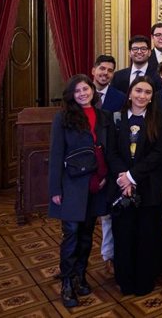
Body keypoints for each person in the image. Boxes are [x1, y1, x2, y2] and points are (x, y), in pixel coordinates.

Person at [48, 74, 113, 308]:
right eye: (77, 91)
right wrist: (55, 188)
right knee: (71, 234)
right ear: (72, 95)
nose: (83, 94)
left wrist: (106, 177)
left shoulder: (104, 116)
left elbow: (108, 150)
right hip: (72, 183)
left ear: (92, 91)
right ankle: (66, 282)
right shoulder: (63, 118)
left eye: (86, 89)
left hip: (97, 182)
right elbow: (56, 154)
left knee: (87, 234)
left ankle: (80, 275)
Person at [110, 76, 162, 296]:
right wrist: (123, 178)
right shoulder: (117, 118)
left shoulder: (159, 119)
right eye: (138, 91)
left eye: (147, 93)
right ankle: (125, 280)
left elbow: (159, 153)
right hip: (121, 187)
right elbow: (111, 152)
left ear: (152, 97)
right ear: (130, 92)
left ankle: (145, 280)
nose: (142, 96)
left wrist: (132, 177)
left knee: (147, 237)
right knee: (124, 236)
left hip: (149, 188)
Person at [90, 54, 125, 276]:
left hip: (110, 161)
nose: (105, 73)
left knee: (109, 215)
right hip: (85, 164)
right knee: (80, 217)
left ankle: (108, 256)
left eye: (110, 70)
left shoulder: (119, 98)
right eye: (102, 69)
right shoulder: (82, 93)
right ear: (93, 70)